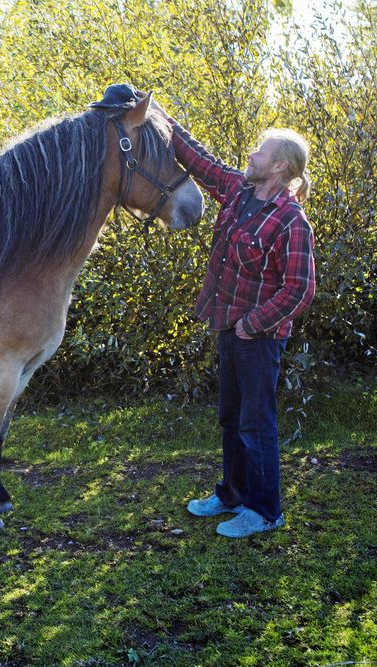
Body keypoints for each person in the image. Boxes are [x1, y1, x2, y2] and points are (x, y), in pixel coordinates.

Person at [161, 108, 316, 538]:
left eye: (260, 150)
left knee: (256, 423)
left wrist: (252, 324)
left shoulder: (291, 220)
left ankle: (265, 511)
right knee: (231, 417)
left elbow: (299, 289)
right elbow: (200, 161)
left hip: (258, 337)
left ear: (280, 165)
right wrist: (159, 118)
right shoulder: (239, 191)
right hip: (228, 325)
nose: (251, 153)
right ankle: (231, 494)